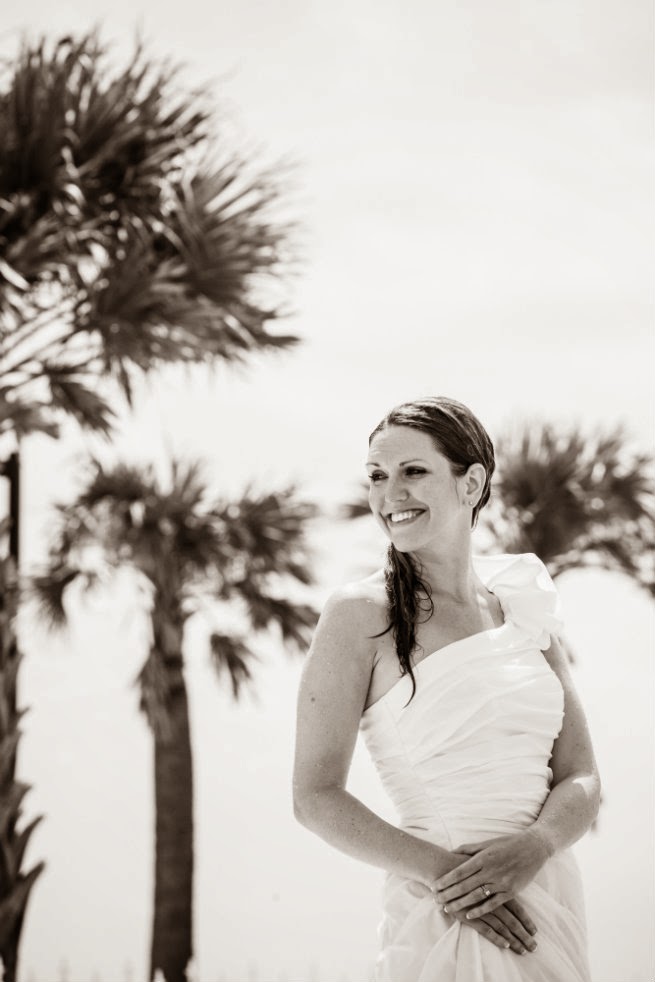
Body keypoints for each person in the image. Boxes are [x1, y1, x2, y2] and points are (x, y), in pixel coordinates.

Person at [293, 396, 600, 982]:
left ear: (472, 483)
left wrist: (537, 846)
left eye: (413, 471)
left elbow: (581, 774)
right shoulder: (359, 614)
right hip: (446, 907)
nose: (390, 494)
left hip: (548, 896)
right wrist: (454, 880)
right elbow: (314, 796)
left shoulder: (522, 605)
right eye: (377, 476)